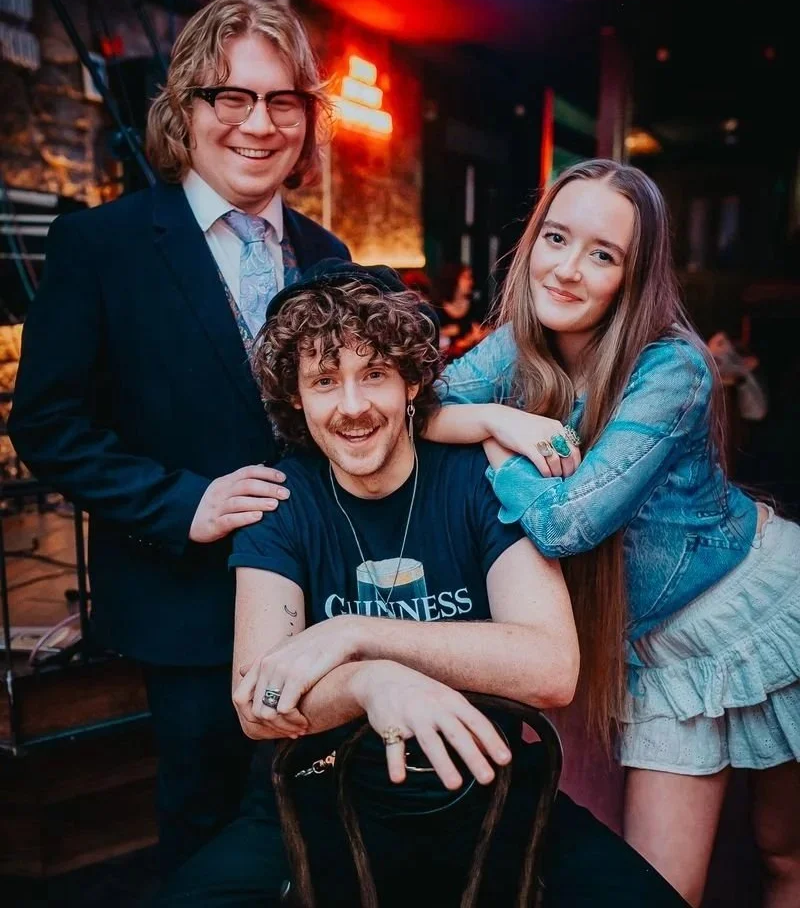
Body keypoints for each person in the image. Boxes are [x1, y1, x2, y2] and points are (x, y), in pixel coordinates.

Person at [152, 259, 687, 907]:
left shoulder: (478, 479)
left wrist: (354, 635)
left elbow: (551, 668)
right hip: (322, 794)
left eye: (374, 374)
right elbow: (257, 703)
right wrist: (370, 681)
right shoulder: (284, 501)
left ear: (411, 381)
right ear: (296, 396)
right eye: (325, 380)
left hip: (489, 789)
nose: (352, 407)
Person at [7, 0, 349, 873]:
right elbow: (46, 423)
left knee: (323, 821)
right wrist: (179, 502)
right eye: (229, 97)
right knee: (205, 831)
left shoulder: (331, 257)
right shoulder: (101, 245)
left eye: (282, 101)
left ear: (307, 120)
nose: (257, 124)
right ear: (184, 109)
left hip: (325, 604)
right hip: (184, 602)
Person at [425, 159, 800, 907]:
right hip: (660, 657)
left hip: (763, 611)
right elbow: (413, 408)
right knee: (654, 893)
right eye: (556, 238)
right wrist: (500, 417)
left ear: (636, 275)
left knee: (783, 854)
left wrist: (496, 452)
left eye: (603, 254)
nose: (566, 270)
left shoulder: (673, 368)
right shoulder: (516, 345)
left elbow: (568, 524)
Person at [435, 262, 487, 359]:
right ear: (453, 279)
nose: (471, 282)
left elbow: (487, 330)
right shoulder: (437, 309)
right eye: (466, 277)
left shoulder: (476, 307)